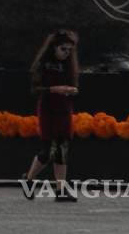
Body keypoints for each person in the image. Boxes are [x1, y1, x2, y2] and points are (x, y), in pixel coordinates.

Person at [23, 29, 79, 202]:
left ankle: (60, 189)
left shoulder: (69, 65)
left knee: (62, 149)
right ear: (54, 47)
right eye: (63, 49)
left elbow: (72, 85)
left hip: (64, 108)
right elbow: (34, 90)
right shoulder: (43, 63)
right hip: (48, 108)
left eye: (69, 50)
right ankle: (29, 179)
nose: (67, 53)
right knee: (47, 151)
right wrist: (54, 89)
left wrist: (71, 90)